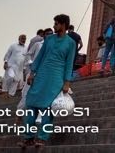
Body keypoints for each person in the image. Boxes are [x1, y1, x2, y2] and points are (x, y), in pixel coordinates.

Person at [18, 13, 76, 148]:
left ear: (63, 25)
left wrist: (67, 82)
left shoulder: (71, 43)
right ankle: (28, 137)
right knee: (31, 106)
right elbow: (39, 57)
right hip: (41, 76)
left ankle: (42, 138)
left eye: (56, 24)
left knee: (47, 109)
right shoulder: (49, 39)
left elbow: (69, 63)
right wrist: (32, 73)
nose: (54, 26)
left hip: (56, 78)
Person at [17, 28, 53, 114]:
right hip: (34, 72)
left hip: (46, 73)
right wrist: (31, 63)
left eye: (51, 34)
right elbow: (28, 55)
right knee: (26, 93)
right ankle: (19, 114)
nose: (50, 35)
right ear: (43, 35)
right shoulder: (37, 44)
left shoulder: (54, 46)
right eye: (48, 34)